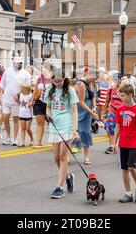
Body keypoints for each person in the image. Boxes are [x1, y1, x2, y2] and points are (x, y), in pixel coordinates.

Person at [45, 69, 79, 199]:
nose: (57, 83)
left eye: (59, 81)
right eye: (55, 81)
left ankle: (60, 187)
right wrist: (48, 113)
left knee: (63, 156)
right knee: (56, 157)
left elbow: (74, 111)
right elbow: (48, 106)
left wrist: (75, 129)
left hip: (67, 125)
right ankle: (68, 176)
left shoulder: (70, 90)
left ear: (64, 79)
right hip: (54, 125)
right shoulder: (50, 90)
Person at [112, 84, 136, 203]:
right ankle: (128, 193)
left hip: (134, 143)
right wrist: (114, 143)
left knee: (132, 167)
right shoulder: (120, 110)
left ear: (130, 95)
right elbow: (117, 127)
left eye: (122, 95)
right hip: (123, 142)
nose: (120, 98)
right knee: (124, 169)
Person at [0, 57, 31, 146]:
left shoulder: (25, 73)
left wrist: (19, 94)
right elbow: (2, 83)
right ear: (13, 63)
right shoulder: (8, 71)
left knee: (16, 119)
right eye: (17, 63)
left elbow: (27, 86)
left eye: (20, 63)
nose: (19, 64)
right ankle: (8, 137)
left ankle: (15, 138)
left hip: (17, 100)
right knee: (5, 118)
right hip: (6, 98)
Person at [75, 68, 98, 165]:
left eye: (95, 79)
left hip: (88, 111)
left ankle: (86, 156)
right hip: (80, 110)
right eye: (92, 78)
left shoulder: (91, 83)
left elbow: (92, 96)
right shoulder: (80, 84)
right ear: (87, 74)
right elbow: (81, 102)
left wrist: (94, 106)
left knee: (86, 132)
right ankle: (66, 154)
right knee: (74, 132)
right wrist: (91, 113)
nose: (93, 80)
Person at [102, 72, 124, 154]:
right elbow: (107, 100)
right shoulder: (111, 89)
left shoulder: (123, 89)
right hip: (112, 110)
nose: (116, 81)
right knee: (110, 127)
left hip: (122, 111)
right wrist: (105, 112)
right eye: (115, 79)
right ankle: (111, 145)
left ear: (120, 80)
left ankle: (120, 144)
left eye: (117, 79)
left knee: (122, 129)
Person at [16, 82, 34, 147]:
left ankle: (32, 139)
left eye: (23, 88)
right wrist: (17, 101)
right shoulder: (20, 95)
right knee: (22, 128)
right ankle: (22, 142)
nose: (22, 89)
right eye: (22, 88)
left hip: (28, 114)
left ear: (27, 89)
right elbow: (19, 101)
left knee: (28, 128)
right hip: (22, 114)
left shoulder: (30, 95)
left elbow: (33, 102)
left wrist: (31, 103)